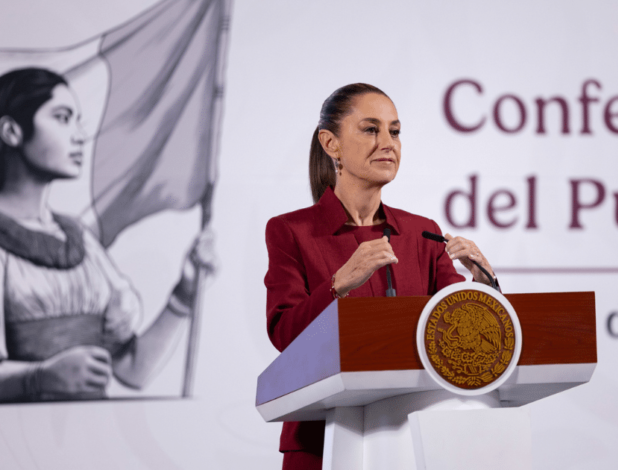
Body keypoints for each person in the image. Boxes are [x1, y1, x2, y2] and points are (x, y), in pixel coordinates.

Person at [265, 83, 496, 469]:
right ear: (331, 144)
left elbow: (454, 331)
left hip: (416, 437)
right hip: (322, 438)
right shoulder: (291, 231)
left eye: (395, 131)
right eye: (371, 129)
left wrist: (483, 287)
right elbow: (284, 334)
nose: (388, 143)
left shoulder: (422, 233)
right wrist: (338, 284)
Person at [0, 67, 215, 402]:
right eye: (62, 118)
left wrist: (185, 293)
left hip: (93, 429)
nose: (78, 136)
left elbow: (133, 369)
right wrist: (40, 377)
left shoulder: (79, 239)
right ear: (11, 131)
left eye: (77, 121)